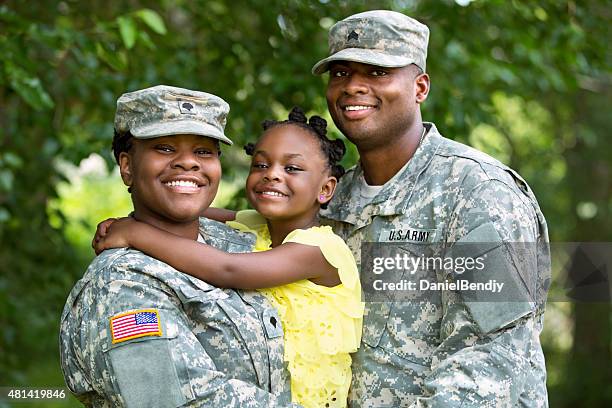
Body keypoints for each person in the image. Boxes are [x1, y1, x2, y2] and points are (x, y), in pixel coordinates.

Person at [311, 10, 550, 407]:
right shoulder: (331, 200)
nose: (353, 86)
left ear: (420, 87)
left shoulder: (478, 193)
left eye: (376, 73)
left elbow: (492, 359)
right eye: (340, 73)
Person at [93, 107, 364, 408]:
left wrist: (135, 233)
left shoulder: (320, 249)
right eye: (261, 165)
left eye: (292, 169)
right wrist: (134, 215)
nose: (272, 174)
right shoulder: (255, 225)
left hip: (309, 398)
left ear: (325, 189)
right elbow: (191, 207)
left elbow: (228, 269)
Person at [59, 85, 301, 407]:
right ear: (127, 166)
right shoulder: (120, 285)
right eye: (165, 148)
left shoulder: (240, 241)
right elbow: (179, 399)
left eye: (204, 152)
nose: (188, 163)